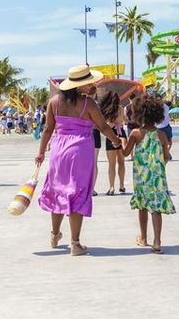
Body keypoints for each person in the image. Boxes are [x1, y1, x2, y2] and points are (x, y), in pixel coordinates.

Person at [36, 65, 125, 256]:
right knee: (76, 193)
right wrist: (116, 141)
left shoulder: (54, 102)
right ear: (78, 87)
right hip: (81, 150)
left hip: (59, 151)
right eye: (89, 83)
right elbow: (102, 127)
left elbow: (48, 129)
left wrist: (41, 152)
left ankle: (54, 234)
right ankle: (75, 244)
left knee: (58, 190)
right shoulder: (88, 103)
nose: (93, 85)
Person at [120, 94, 175, 254]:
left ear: (139, 113)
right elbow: (166, 157)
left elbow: (125, 153)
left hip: (141, 177)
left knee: (142, 206)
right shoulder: (162, 135)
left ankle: (143, 237)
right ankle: (157, 241)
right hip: (157, 177)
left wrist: (122, 141)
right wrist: (158, 167)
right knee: (156, 208)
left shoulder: (136, 133)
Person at [98, 89, 126, 195]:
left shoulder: (106, 110)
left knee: (111, 164)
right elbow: (122, 121)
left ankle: (112, 187)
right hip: (121, 133)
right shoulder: (121, 109)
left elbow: (107, 125)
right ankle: (122, 185)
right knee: (121, 162)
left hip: (111, 135)